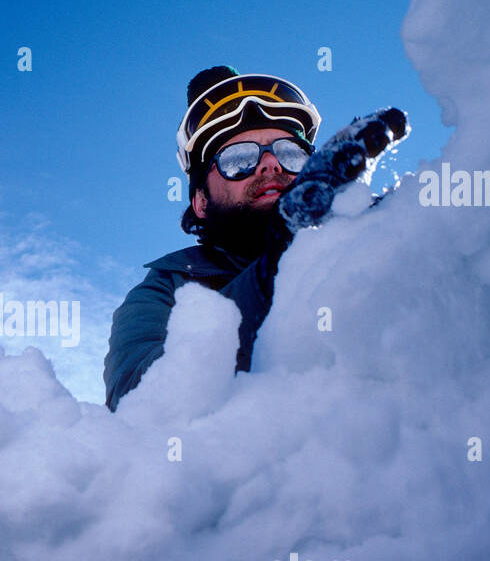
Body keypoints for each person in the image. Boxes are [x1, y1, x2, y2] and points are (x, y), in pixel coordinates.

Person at [102, 66, 407, 411]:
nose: (270, 165)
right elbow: (137, 401)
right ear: (201, 201)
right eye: (240, 158)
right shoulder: (164, 289)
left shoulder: (368, 240)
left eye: (290, 153)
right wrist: (276, 269)